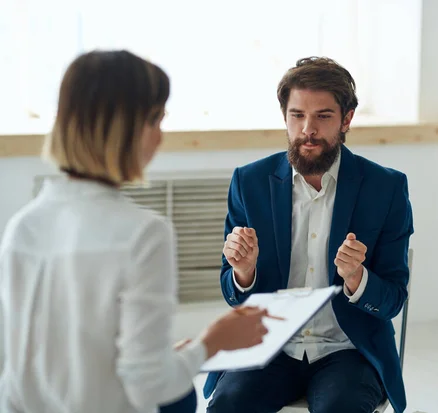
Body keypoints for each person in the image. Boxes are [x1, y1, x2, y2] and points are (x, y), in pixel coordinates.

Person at [0, 50, 271, 413]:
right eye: (155, 120)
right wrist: (213, 342)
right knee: (183, 396)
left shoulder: (24, 225)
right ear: (122, 128)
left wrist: (165, 357)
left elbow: (34, 367)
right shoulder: (144, 234)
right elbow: (149, 384)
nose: (160, 138)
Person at [204, 57, 414, 413]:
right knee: (227, 405)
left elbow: (393, 299)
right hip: (269, 346)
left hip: (348, 351)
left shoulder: (386, 187)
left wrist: (356, 278)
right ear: (284, 116)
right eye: (297, 115)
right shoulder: (250, 182)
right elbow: (234, 296)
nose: (308, 130)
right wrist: (243, 273)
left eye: (323, 116)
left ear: (346, 119)